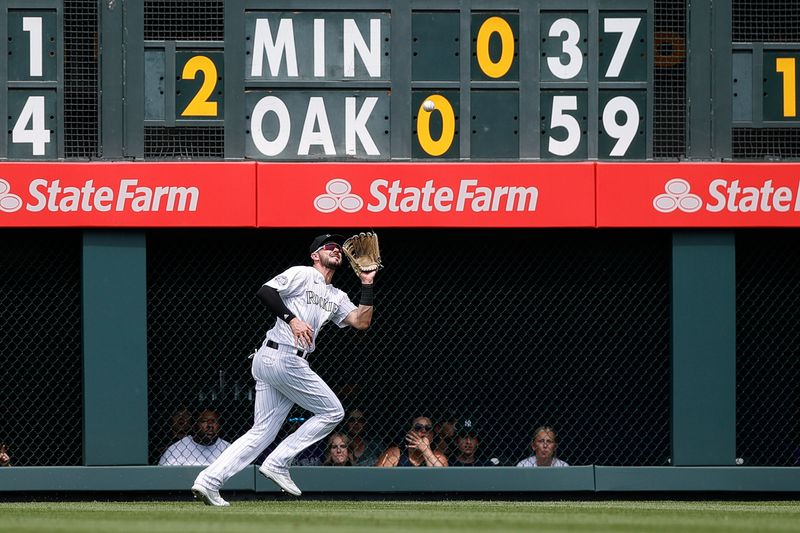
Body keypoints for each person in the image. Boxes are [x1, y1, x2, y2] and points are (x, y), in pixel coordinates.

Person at [192, 233, 377, 506]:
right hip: (282, 356)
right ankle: (278, 462)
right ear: (315, 255)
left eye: (340, 248)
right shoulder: (303, 273)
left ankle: (207, 482)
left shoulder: (337, 295)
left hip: (277, 360)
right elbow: (266, 291)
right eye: (330, 247)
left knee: (262, 432)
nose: (337, 250)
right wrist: (292, 320)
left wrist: (367, 283)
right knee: (333, 411)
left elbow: (361, 322)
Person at [159, 409, 230, 466]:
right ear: (194, 426)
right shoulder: (177, 449)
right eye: (204, 421)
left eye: (214, 421)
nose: (210, 425)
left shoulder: (228, 449)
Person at [376, 416, 448, 467]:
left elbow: (442, 478)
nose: (423, 431)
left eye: (428, 428)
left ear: (432, 436)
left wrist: (426, 451)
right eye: (418, 427)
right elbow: (379, 477)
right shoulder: (395, 453)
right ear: (410, 432)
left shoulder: (438, 457)